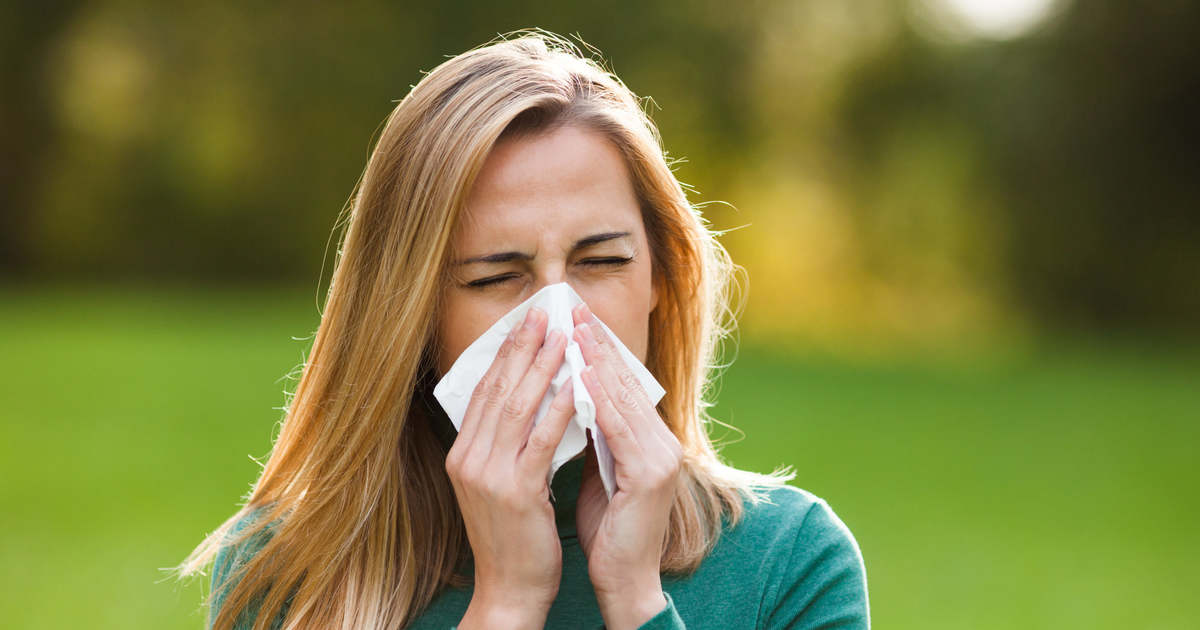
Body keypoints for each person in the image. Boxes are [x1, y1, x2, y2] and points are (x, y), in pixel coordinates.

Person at [176, 28, 870, 630]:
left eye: (600, 261)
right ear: (410, 312)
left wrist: (636, 601)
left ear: (662, 275)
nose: (559, 316)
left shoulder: (789, 561)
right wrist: (505, 604)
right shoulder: (288, 570)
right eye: (493, 277)